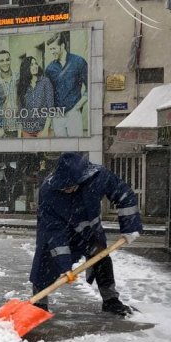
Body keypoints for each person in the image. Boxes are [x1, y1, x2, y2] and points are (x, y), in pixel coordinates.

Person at [29, 152, 142, 317]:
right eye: (63, 187)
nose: (66, 189)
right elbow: (54, 230)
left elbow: (125, 196)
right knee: (45, 263)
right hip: (59, 231)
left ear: (82, 179)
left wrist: (130, 227)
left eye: (70, 186)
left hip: (90, 232)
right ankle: (38, 304)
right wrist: (64, 267)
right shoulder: (48, 190)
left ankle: (111, 301)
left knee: (102, 260)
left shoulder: (99, 176)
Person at [44, 32, 88, 137]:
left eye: (54, 48)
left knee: (76, 147)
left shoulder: (78, 62)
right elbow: (48, 94)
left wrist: (78, 105)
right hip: (57, 115)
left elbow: (90, 86)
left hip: (74, 112)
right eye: (50, 49)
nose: (52, 52)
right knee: (62, 147)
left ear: (62, 46)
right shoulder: (49, 69)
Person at [16, 56, 55, 138]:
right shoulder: (21, 85)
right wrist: (19, 134)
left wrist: (45, 130)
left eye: (36, 63)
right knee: (29, 151)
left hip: (42, 128)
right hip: (26, 129)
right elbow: (20, 111)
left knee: (41, 150)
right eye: (32, 65)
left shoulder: (45, 82)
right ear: (26, 68)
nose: (35, 66)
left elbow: (50, 107)